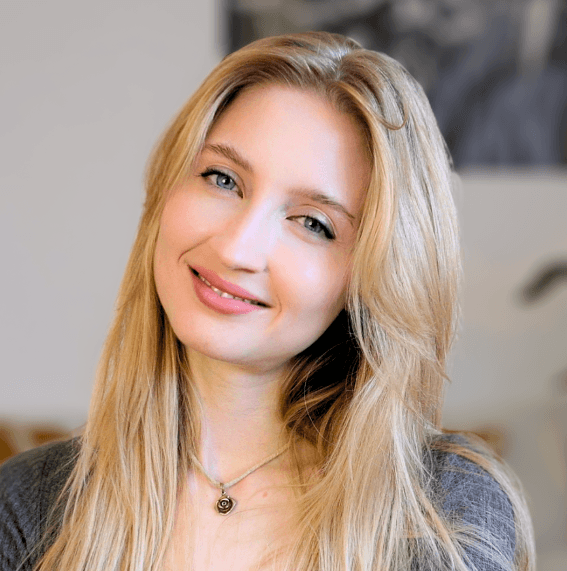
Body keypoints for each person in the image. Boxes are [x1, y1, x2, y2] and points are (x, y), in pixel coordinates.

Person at [0, 31, 535, 571]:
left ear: (373, 277)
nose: (237, 249)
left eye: (313, 223)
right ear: (166, 188)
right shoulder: (27, 507)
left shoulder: (442, 512)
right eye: (222, 179)